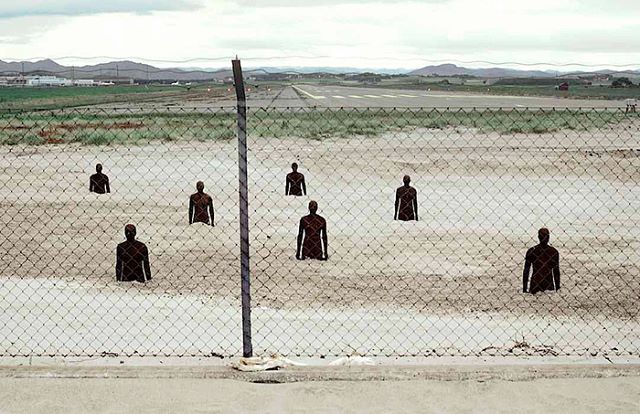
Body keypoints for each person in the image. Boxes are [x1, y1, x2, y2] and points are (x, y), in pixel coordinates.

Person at [523, 228, 560, 294]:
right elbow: (556, 272)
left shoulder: (532, 251)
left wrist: (524, 289)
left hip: (535, 286)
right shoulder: (553, 252)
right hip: (549, 286)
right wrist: (558, 288)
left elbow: (526, 271)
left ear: (538, 237)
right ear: (548, 237)